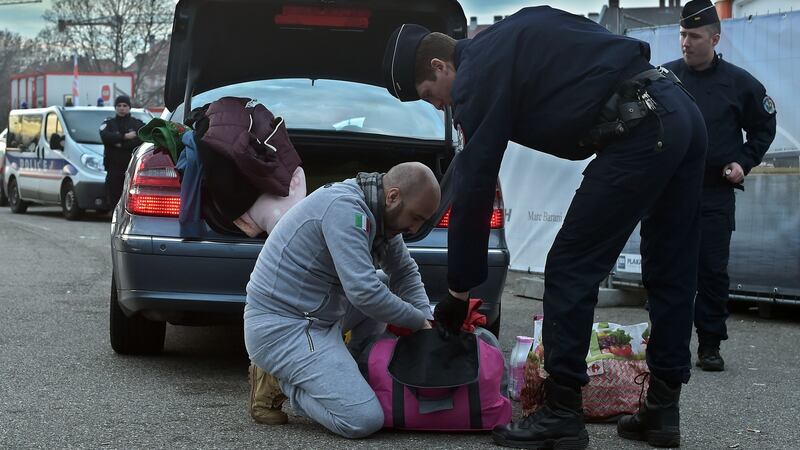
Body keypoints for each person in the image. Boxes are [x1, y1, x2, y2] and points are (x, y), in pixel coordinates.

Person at [383, 7, 707, 449]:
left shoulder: (476, 77)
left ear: (441, 66)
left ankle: (561, 412)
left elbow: (476, 181)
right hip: (680, 111)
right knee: (671, 265)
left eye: (428, 94)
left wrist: (459, 292)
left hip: (641, 126)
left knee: (571, 265)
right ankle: (663, 410)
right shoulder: (511, 35)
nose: (437, 105)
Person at [243, 163, 440, 439]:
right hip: (284, 327)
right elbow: (364, 293)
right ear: (393, 196)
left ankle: (350, 373)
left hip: (318, 315)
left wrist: (426, 319)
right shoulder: (345, 210)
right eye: (416, 217)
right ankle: (282, 380)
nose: (415, 228)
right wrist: (419, 322)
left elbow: (404, 271)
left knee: (383, 288)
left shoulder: (381, 215)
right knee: (363, 419)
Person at [664, 1, 777, 372]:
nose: (686, 42)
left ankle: (709, 345)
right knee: (667, 269)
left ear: (714, 38)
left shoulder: (739, 83)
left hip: (714, 191)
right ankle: (665, 342)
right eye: (682, 34)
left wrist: (743, 162)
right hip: (670, 193)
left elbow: (763, 127)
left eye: (694, 36)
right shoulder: (664, 79)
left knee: (712, 271)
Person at [99, 95, 144, 209]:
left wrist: (120, 144)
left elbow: (141, 139)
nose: (122, 108)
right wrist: (125, 137)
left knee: (130, 195)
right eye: (119, 105)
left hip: (131, 167)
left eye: (124, 105)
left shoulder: (137, 124)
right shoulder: (109, 123)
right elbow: (105, 136)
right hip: (113, 167)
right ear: (115, 107)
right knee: (114, 195)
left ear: (129, 107)